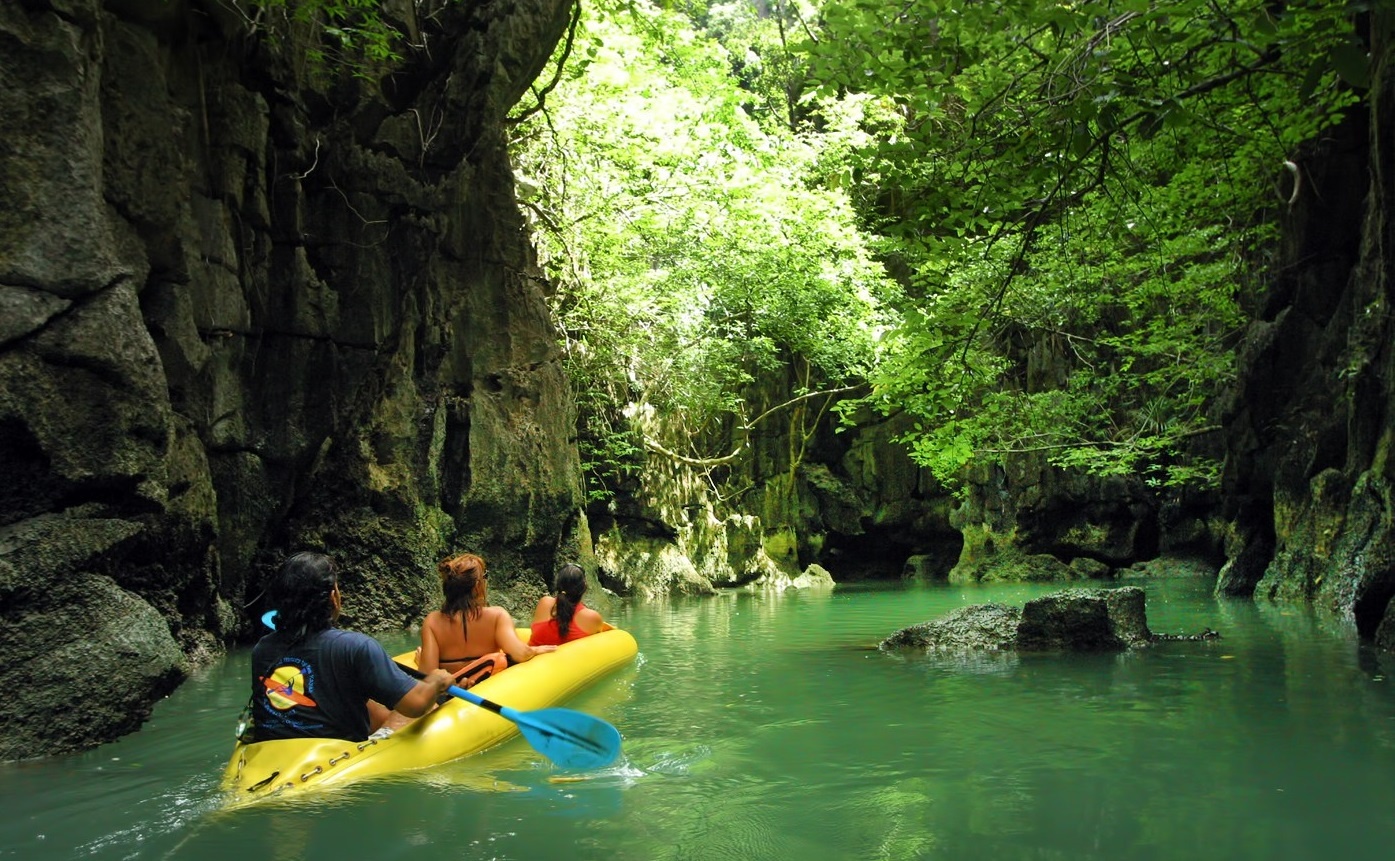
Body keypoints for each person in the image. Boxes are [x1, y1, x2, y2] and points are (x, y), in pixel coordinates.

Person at [249, 551, 454, 742]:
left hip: (271, 753)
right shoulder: (357, 647)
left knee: (364, 697)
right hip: (333, 760)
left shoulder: (263, 649)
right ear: (332, 598)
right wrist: (436, 683)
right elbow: (415, 705)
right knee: (430, 705)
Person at [417, 553, 557, 680]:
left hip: (450, 694)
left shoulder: (432, 621)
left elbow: (426, 674)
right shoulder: (497, 616)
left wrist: (420, 660)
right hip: (486, 687)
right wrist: (535, 649)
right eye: (485, 576)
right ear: (477, 585)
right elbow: (520, 654)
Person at [530, 563, 606, 646]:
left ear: (557, 584)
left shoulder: (544, 602)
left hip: (532, 658)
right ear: (584, 587)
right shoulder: (591, 617)